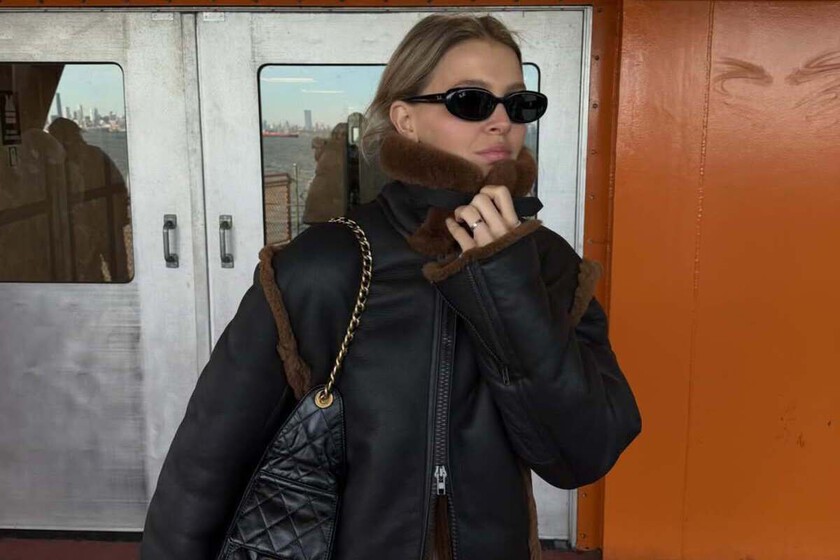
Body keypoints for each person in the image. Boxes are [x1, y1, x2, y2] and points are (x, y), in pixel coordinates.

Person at [140, 14, 641, 560]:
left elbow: (583, 454)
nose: (501, 122)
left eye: (518, 104)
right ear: (405, 119)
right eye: (471, 101)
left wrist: (505, 281)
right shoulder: (325, 265)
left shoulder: (547, 265)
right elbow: (205, 466)